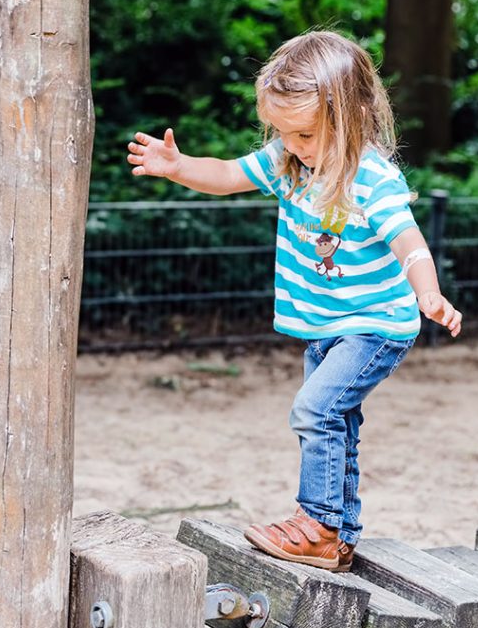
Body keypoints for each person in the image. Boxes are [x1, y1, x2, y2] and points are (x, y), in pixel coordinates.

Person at [126, 30, 461, 571]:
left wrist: (429, 293)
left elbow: (410, 241)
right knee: (337, 418)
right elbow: (230, 173)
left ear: (350, 114)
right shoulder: (289, 162)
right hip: (326, 324)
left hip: (376, 325)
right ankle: (341, 533)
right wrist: (180, 166)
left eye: (305, 133)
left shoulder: (371, 179)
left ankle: (320, 523)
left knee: (314, 409)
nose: (295, 145)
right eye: (284, 133)